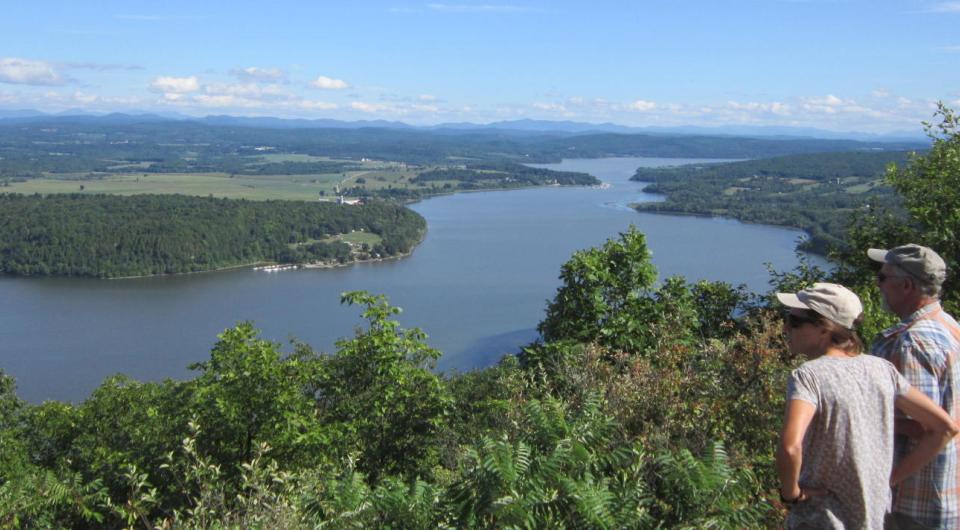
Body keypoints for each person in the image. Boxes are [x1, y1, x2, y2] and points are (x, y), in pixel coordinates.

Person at [776, 282, 957, 529]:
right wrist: (889, 480)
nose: (785, 327)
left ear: (824, 328)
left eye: (794, 321)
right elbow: (945, 428)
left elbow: (790, 447)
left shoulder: (809, 376)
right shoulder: (882, 370)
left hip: (821, 518)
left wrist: (791, 494)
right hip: (873, 516)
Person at [868, 244, 960, 529]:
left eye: (882, 278)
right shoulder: (949, 326)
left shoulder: (914, 342)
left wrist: (885, 482)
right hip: (945, 491)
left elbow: (926, 427)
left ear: (906, 285)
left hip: (915, 502)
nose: (878, 285)